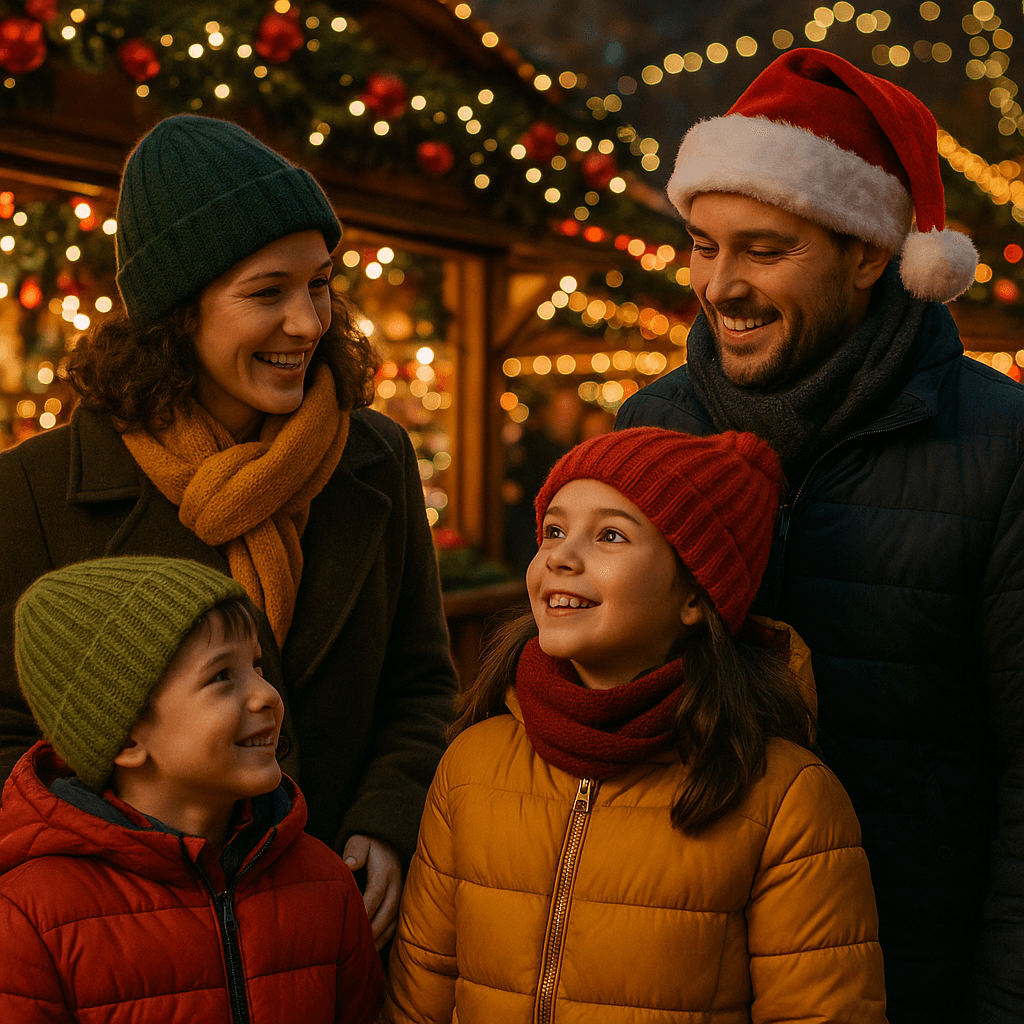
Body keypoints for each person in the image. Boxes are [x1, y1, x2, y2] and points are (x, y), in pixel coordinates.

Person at [616, 48, 1024, 1024]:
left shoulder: (1000, 450)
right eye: (702, 245)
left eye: (763, 249)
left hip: (911, 976)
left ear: (870, 253)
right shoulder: (649, 430)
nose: (719, 286)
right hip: (681, 980)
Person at [0, 114, 457, 949]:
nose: (309, 323)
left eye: (319, 284)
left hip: (344, 923)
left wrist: (388, 819)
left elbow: (419, 682)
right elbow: (9, 734)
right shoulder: (37, 490)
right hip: (138, 946)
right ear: (178, 312)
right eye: (266, 292)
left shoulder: (373, 457)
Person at [381, 427, 887, 1024]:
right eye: (554, 531)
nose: (562, 557)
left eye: (611, 535)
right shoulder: (470, 765)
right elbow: (421, 997)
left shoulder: (784, 799)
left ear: (696, 594)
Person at [0, 556, 383, 1022]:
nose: (266, 695)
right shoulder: (29, 919)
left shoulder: (325, 884)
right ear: (124, 737)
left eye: (257, 666)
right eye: (222, 676)